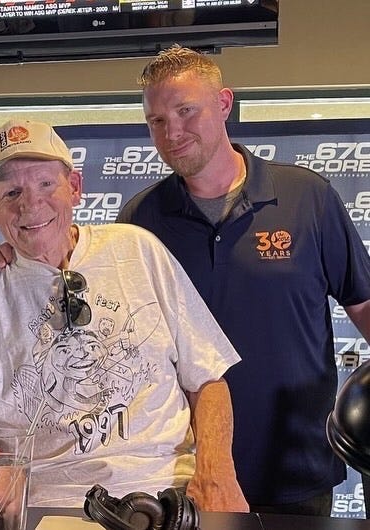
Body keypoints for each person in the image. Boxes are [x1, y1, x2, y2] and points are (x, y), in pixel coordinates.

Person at [0, 119, 248, 514]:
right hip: (46, 505)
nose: (30, 205)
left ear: (76, 189)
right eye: (12, 192)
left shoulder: (138, 250)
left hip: (169, 495)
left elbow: (207, 378)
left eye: (46, 185)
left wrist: (217, 474)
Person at [116, 45, 370, 516]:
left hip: (296, 470)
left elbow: (364, 304)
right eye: (156, 120)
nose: (172, 132)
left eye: (185, 111)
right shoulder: (139, 220)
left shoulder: (307, 197)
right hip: (185, 477)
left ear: (225, 103)